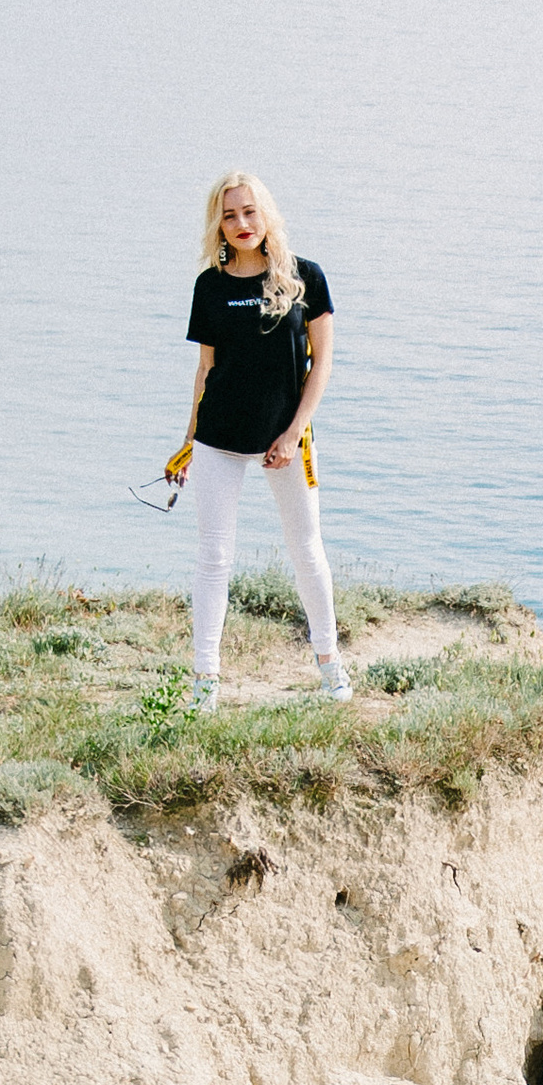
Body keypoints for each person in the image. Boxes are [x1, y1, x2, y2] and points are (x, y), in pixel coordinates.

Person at [171, 172, 349, 707]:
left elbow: (322, 366)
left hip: (288, 441)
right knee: (213, 558)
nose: (241, 223)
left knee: (307, 551)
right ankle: (205, 682)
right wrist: (186, 443)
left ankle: (331, 667)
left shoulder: (305, 279)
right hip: (219, 438)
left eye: (249, 212)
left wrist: (293, 433)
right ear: (218, 225)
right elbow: (206, 370)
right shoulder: (210, 285)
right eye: (229, 215)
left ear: (266, 214)